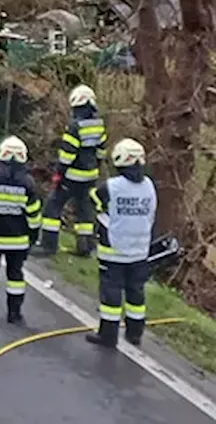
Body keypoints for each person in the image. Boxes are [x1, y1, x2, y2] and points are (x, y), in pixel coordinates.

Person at [86, 138, 156, 348]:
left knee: (111, 293)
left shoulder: (112, 186)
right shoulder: (149, 186)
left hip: (114, 251)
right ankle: (135, 333)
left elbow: (94, 198)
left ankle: (108, 335)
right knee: (136, 293)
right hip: (140, 251)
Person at [0, 136, 42, 324]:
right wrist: (33, 235)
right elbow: (33, 214)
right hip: (18, 240)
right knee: (15, 275)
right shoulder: (28, 182)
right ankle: (14, 313)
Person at [39, 84, 106, 257]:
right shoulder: (99, 125)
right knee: (85, 211)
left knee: (52, 207)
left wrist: (58, 174)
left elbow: (67, 155)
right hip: (90, 176)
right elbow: (101, 151)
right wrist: (94, 167)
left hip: (71, 176)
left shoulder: (74, 127)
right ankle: (85, 248)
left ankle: (48, 246)